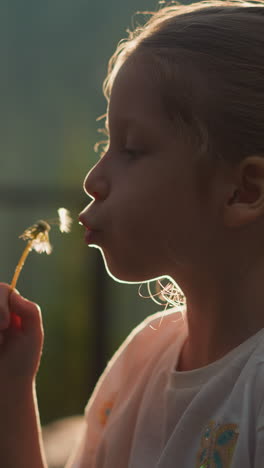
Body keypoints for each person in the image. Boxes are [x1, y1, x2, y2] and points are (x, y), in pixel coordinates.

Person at [1, 0, 264, 466]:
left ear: (242, 191)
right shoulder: (143, 357)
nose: (92, 180)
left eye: (132, 149)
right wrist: (10, 387)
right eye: (107, 143)